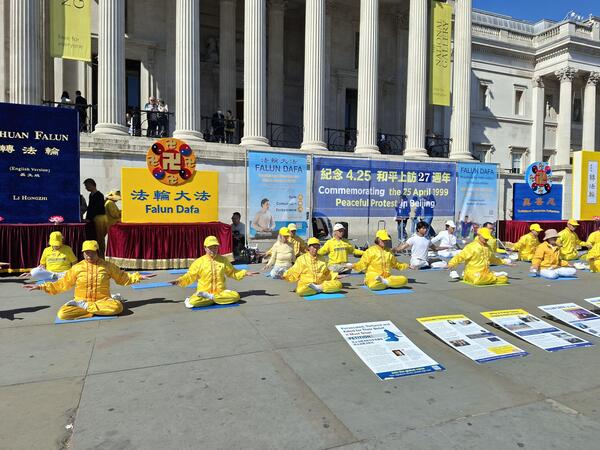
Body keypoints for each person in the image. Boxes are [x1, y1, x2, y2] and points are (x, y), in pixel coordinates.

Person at [23, 240, 155, 320]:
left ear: (97, 252)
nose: (89, 255)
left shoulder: (107, 266)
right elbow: (63, 283)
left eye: (92, 252)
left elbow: (122, 277)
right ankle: (94, 309)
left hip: (102, 300)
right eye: (86, 252)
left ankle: (86, 308)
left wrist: (138, 277)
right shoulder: (77, 267)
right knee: (63, 314)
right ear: (83, 253)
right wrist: (41, 286)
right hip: (82, 300)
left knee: (117, 307)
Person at [170, 236, 259, 308]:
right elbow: (190, 276)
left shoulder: (223, 260)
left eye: (215, 247)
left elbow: (232, 272)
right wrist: (179, 281)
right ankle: (215, 299)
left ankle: (212, 298)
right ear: (205, 248)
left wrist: (244, 273)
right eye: (210, 248)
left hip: (220, 292)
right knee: (194, 301)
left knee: (235, 296)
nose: (213, 249)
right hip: (204, 292)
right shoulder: (199, 262)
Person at [447, 227, 511, 285]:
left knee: (505, 279)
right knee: (477, 280)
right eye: (485, 237)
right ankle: (493, 277)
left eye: (487, 238)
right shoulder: (472, 246)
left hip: (485, 273)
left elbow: (493, 259)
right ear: (479, 235)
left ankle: (491, 277)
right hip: (472, 273)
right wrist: (451, 263)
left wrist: (505, 262)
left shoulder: (488, 247)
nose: (486, 239)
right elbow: (460, 256)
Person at [84, 178, 107, 257]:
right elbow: (90, 208)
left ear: (92, 185)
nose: (86, 188)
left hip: (99, 219)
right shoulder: (91, 195)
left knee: (100, 238)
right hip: (92, 220)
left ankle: (101, 256)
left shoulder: (99, 195)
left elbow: (97, 209)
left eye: (87, 186)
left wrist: (90, 218)